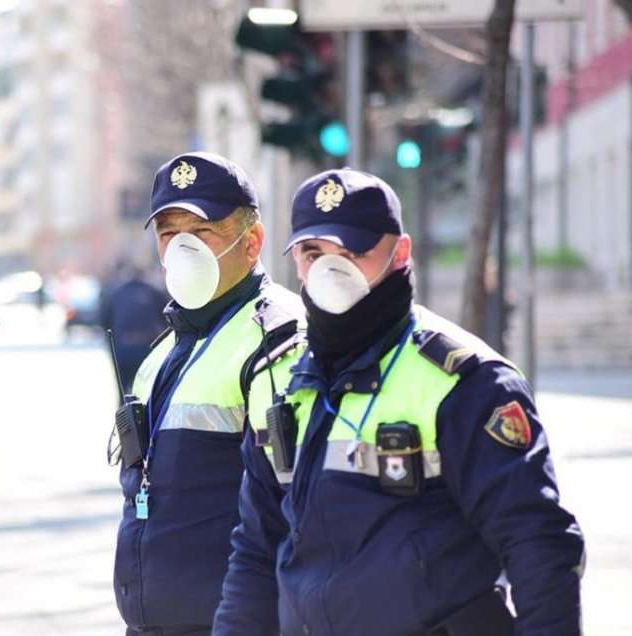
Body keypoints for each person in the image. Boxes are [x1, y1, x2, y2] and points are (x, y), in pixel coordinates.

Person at [213, 168, 585, 636]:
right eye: (313, 253)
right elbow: (255, 550)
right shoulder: (286, 382)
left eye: (351, 251)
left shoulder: (465, 381)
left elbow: (538, 543)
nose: (331, 270)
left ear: (399, 252)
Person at [113, 151, 304, 636]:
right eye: (168, 234)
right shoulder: (167, 348)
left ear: (251, 241)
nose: (181, 248)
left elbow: (291, 507)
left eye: (200, 233)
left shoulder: (277, 339)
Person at [100, 264, 168, 392]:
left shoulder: (117, 292)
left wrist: (113, 346)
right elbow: (167, 320)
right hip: (148, 348)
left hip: (124, 347)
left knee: (123, 392)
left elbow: (105, 322)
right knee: (149, 392)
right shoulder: (153, 291)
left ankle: (124, 409)